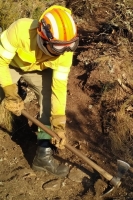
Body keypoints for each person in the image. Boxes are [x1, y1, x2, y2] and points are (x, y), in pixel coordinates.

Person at [0, 5, 79, 177]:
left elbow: (59, 88)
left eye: (69, 46)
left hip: (37, 69)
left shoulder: (64, 51)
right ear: (42, 38)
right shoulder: (21, 30)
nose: (63, 53)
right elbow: (0, 62)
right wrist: (10, 92)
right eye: (58, 48)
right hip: (10, 65)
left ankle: (43, 155)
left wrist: (58, 126)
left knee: (49, 99)